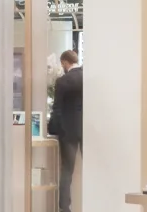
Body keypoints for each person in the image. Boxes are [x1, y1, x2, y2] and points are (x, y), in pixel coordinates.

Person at [48, 49, 82, 212]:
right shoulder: (86, 77)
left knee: (67, 170)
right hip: (85, 129)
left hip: (68, 132)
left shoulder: (62, 81)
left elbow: (57, 108)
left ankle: (64, 208)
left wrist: (53, 127)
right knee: (93, 167)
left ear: (64, 62)